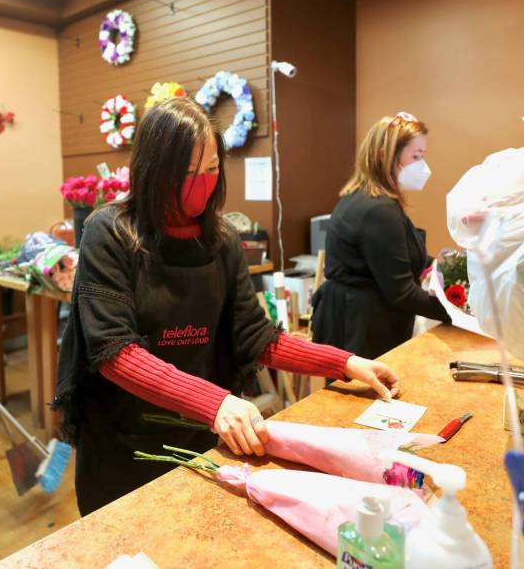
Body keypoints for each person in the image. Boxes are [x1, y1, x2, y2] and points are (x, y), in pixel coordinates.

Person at [53, 97, 400, 516]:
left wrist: (345, 363)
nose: (201, 183)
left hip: (197, 433)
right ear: (153, 170)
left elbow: (254, 336)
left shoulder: (221, 240)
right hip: (121, 442)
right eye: (186, 173)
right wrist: (216, 403)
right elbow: (114, 353)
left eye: (211, 170)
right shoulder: (108, 232)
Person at [311, 112, 450, 359]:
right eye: (416, 156)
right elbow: (402, 291)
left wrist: (442, 265)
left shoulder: (372, 199)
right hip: (361, 329)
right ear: (386, 155)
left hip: (360, 319)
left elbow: (396, 256)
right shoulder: (378, 210)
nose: (423, 167)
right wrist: (455, 313)